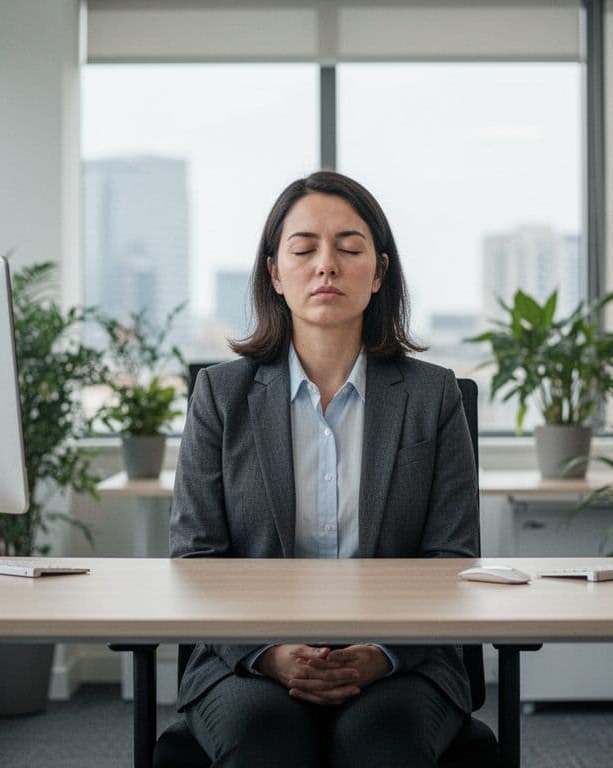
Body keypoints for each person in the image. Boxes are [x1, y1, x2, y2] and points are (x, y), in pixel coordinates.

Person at [169, 170, 480, 767]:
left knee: (383, 746)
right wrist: (271, 653)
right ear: (274, 274)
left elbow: (453, 559)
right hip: (247, 662)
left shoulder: (433, 397)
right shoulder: (219, 395)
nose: (326, 266)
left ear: (380, 272)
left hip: (405, 661)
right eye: (304, 248)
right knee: (265, 744)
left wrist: (381, 652)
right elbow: (197, 561)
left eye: (350, 248)